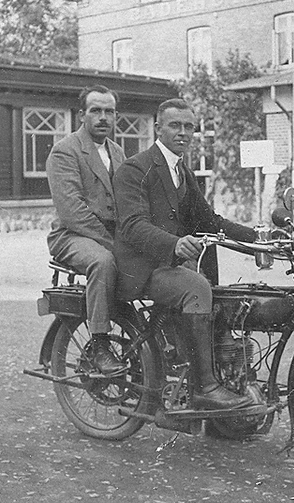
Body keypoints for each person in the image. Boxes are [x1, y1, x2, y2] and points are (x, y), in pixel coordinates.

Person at [114, 98, 257, 410]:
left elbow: (209, 221)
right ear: (158, 128)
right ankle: (205, 387)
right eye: (174, 125)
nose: (182, 132)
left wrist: (257, 236)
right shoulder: (135, 169)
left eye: (189, 126)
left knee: (229, 294)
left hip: (170, 264)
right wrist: (174, 244)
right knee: (197, 287)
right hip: (141, 267)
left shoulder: (183, 172)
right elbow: (132, 226)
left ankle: (227, 380)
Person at [47, 85, 127, 376]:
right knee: (103, 261)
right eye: (96, 111)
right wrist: (114, 244)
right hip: (72, 235)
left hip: (110, 235)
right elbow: (73, 212)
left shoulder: (117, 151)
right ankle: (100, 344)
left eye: (109, 111)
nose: (103, 117)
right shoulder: (65, 151)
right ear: (82, 115)